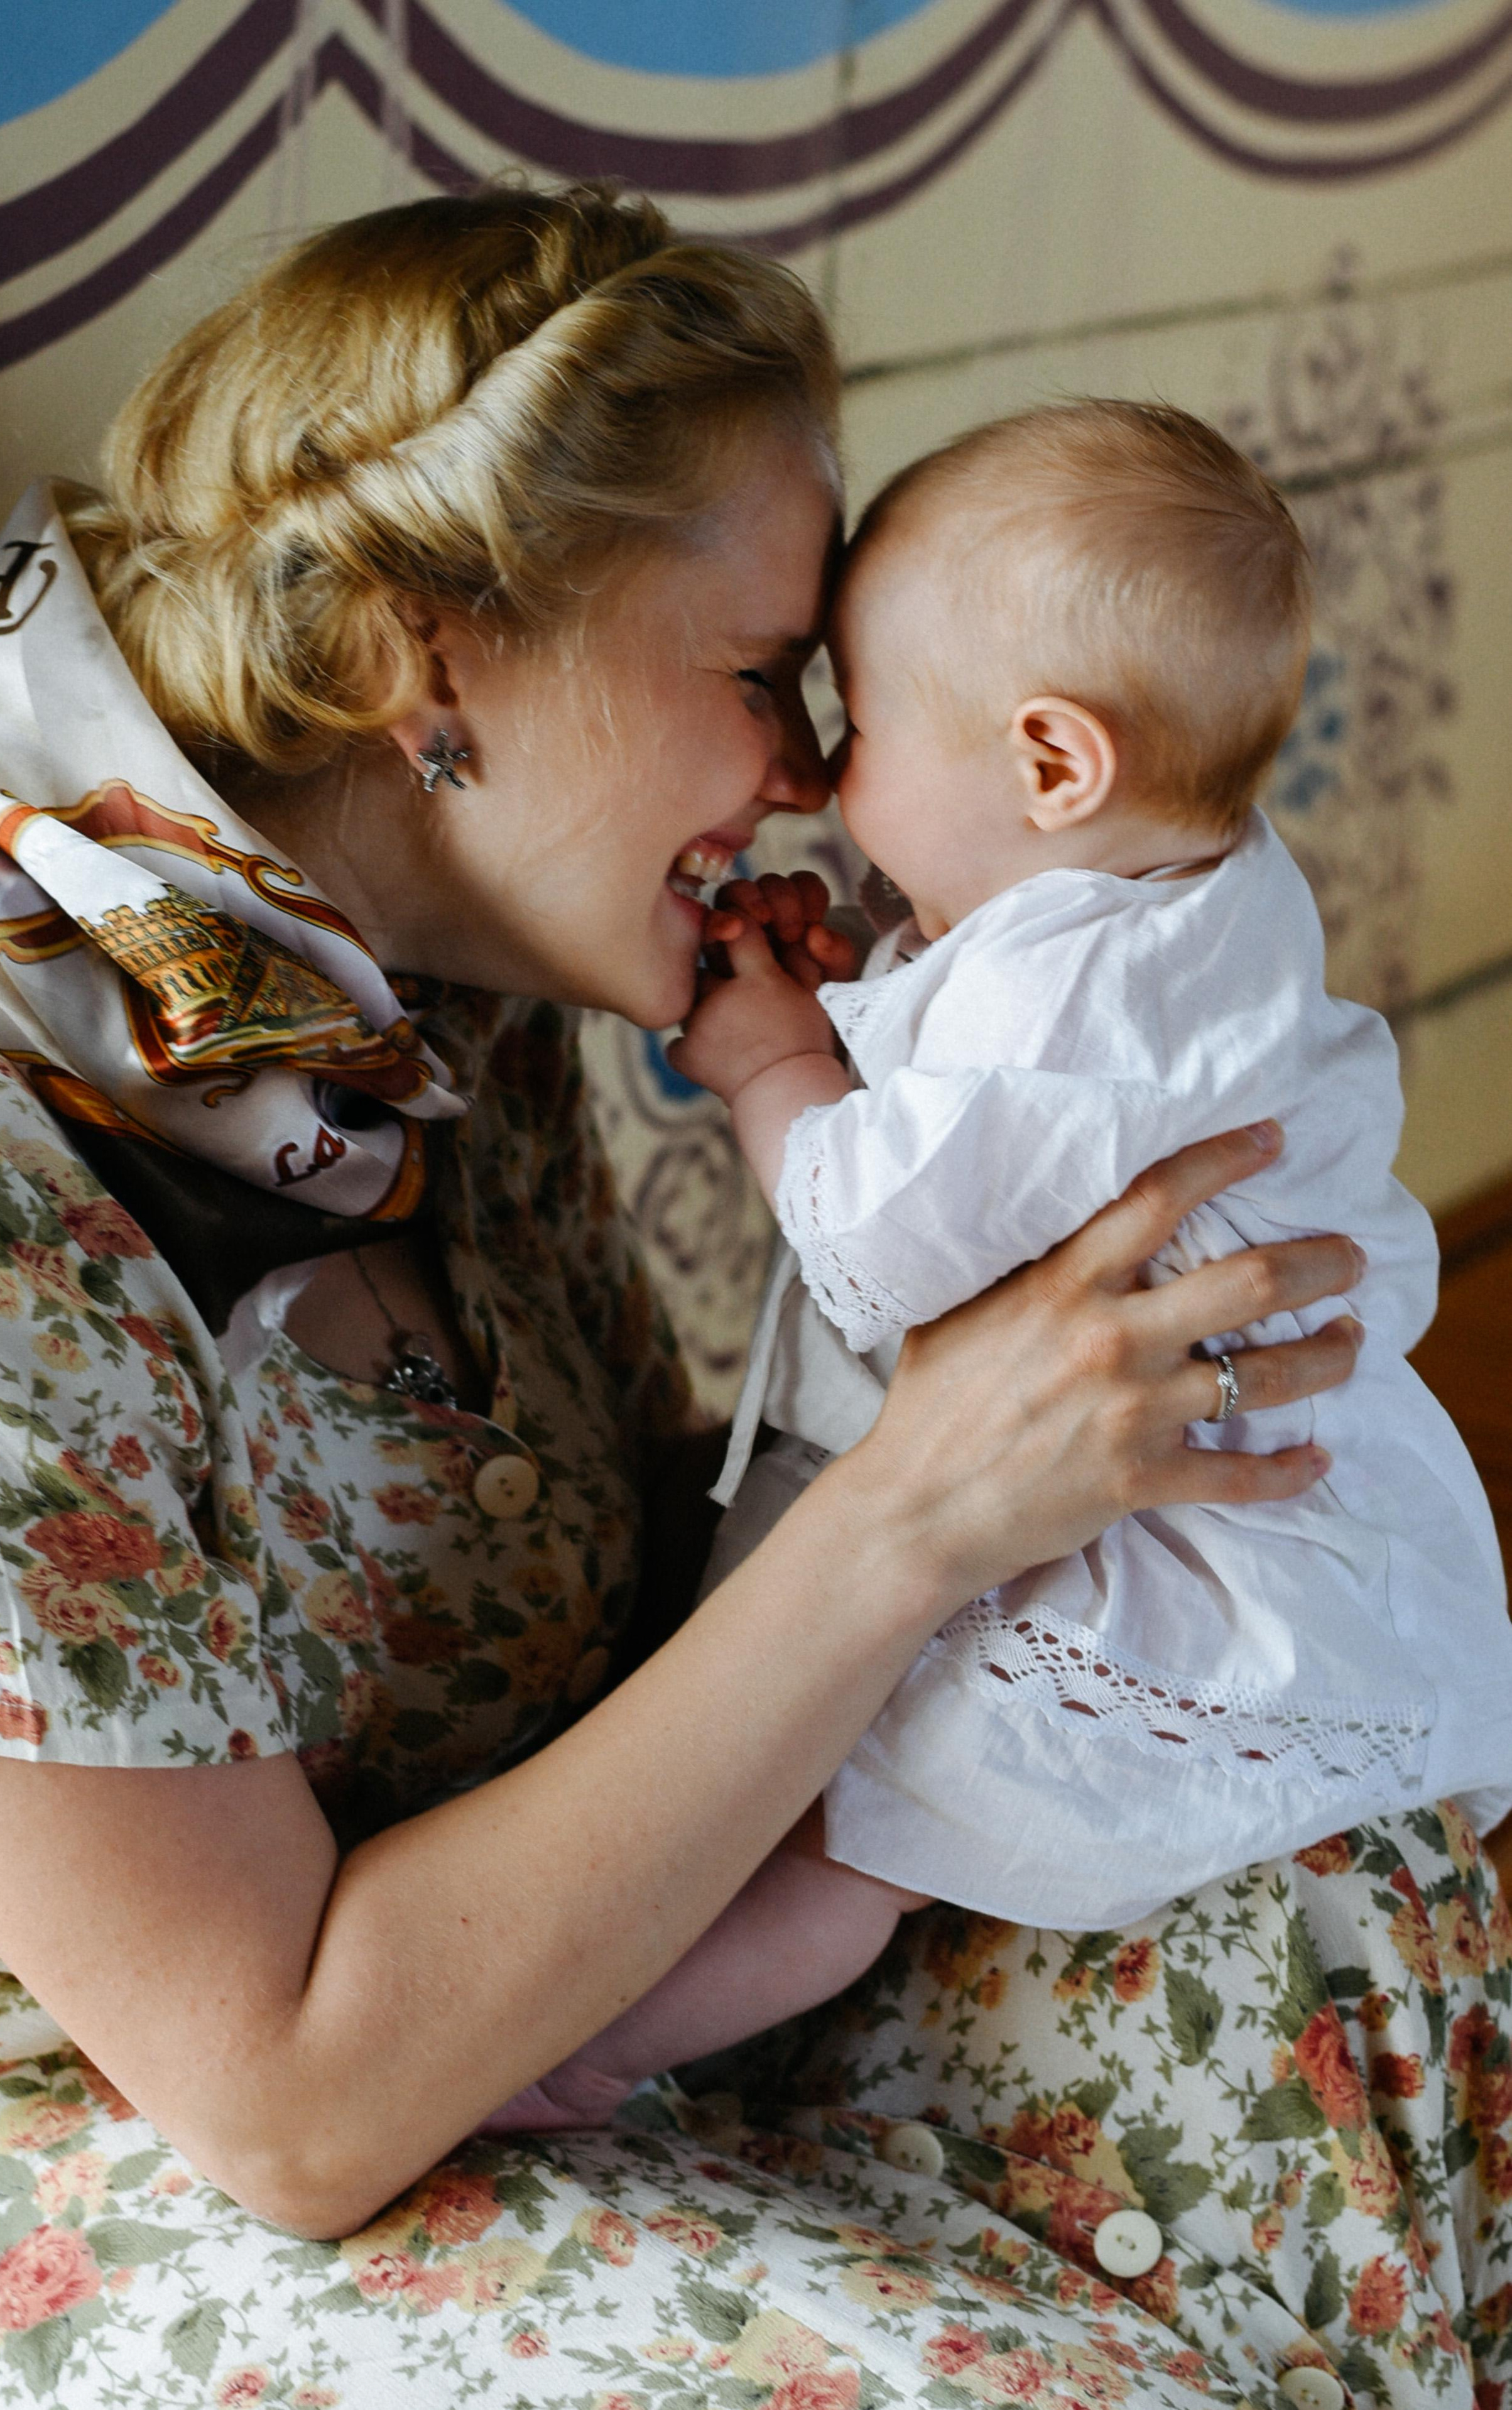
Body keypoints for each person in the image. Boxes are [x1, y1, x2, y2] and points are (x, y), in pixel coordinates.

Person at [0, 186, 1497, 2410]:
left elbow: (667, 1550)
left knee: (1332, 1927)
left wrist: (1063, 1445)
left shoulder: (429, 1025)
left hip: (586, 1932)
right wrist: (935, 1498)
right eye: (762, 677)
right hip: (202, 2130)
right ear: (424, 652)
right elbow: (280, 2098)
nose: (807, 776)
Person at [470, 400, 1512, 2135]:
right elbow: (1016, 1082)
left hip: (1155, 1542)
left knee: (856, 1831)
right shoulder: (1192, 889)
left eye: (861, 720)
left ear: (1050, 767)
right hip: (1260, 1474)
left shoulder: (1075, 1005)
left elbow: (877, 1236)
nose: (818, 769)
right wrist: (870, 984)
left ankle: (587, 2053)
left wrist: (771, 1071)